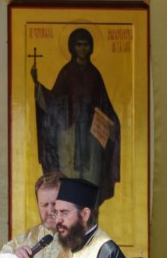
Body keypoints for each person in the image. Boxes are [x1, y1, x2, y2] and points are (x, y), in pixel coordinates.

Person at [33, 29, 120, 203]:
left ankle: (90, 212)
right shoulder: (67, 72)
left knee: (91, 174)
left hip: (91, 135)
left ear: (91, 47)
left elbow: (104, 103)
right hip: (70, 133)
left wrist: (113, 125)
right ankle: (70, 211)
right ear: (72, 47)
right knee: (69, 175)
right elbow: (54, 101)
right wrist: (38, 86)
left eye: (86, 45)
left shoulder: (94, 74)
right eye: (78, 45)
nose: (82, 49)